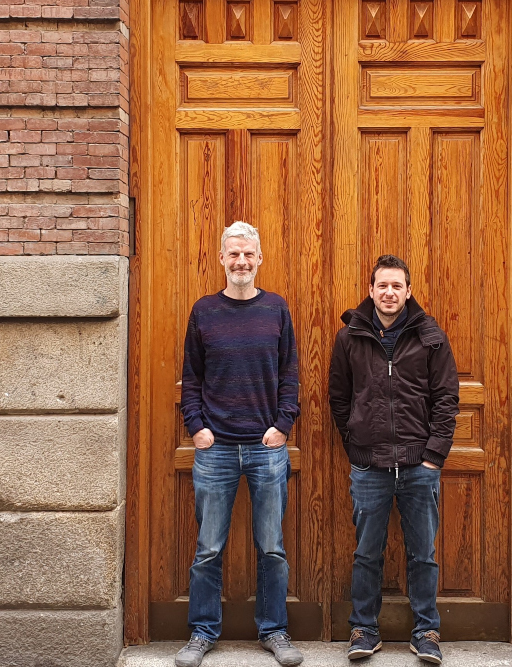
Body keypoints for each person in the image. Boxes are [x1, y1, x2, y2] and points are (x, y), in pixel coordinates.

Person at [176, 221, 303, 667]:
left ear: (260, 258)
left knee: (271, 547)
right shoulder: (204, 311)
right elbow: (190, 378)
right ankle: (202, 633)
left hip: (267, 447)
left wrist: (284, 424)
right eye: (234, 254)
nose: (241, 262)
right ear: (222, 259)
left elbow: (290, 375)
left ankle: (274, 631)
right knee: (209, 547)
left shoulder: (276, 309)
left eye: (248, 254)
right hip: (216, 450)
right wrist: (197, 427)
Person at [328, 254, 459, 665]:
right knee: (367, 553)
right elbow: (338, 397)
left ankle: (426, 631)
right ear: (371, 290)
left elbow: (446, 399)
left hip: (420, 467)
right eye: (382, 286)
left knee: (423, 553)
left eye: (396, 286)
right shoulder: (350, 335)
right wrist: (355, 444)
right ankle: (363, 629)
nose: (389, 293)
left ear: (408, 291)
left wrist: (434, 456)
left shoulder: (430, 335)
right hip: (370, 467)